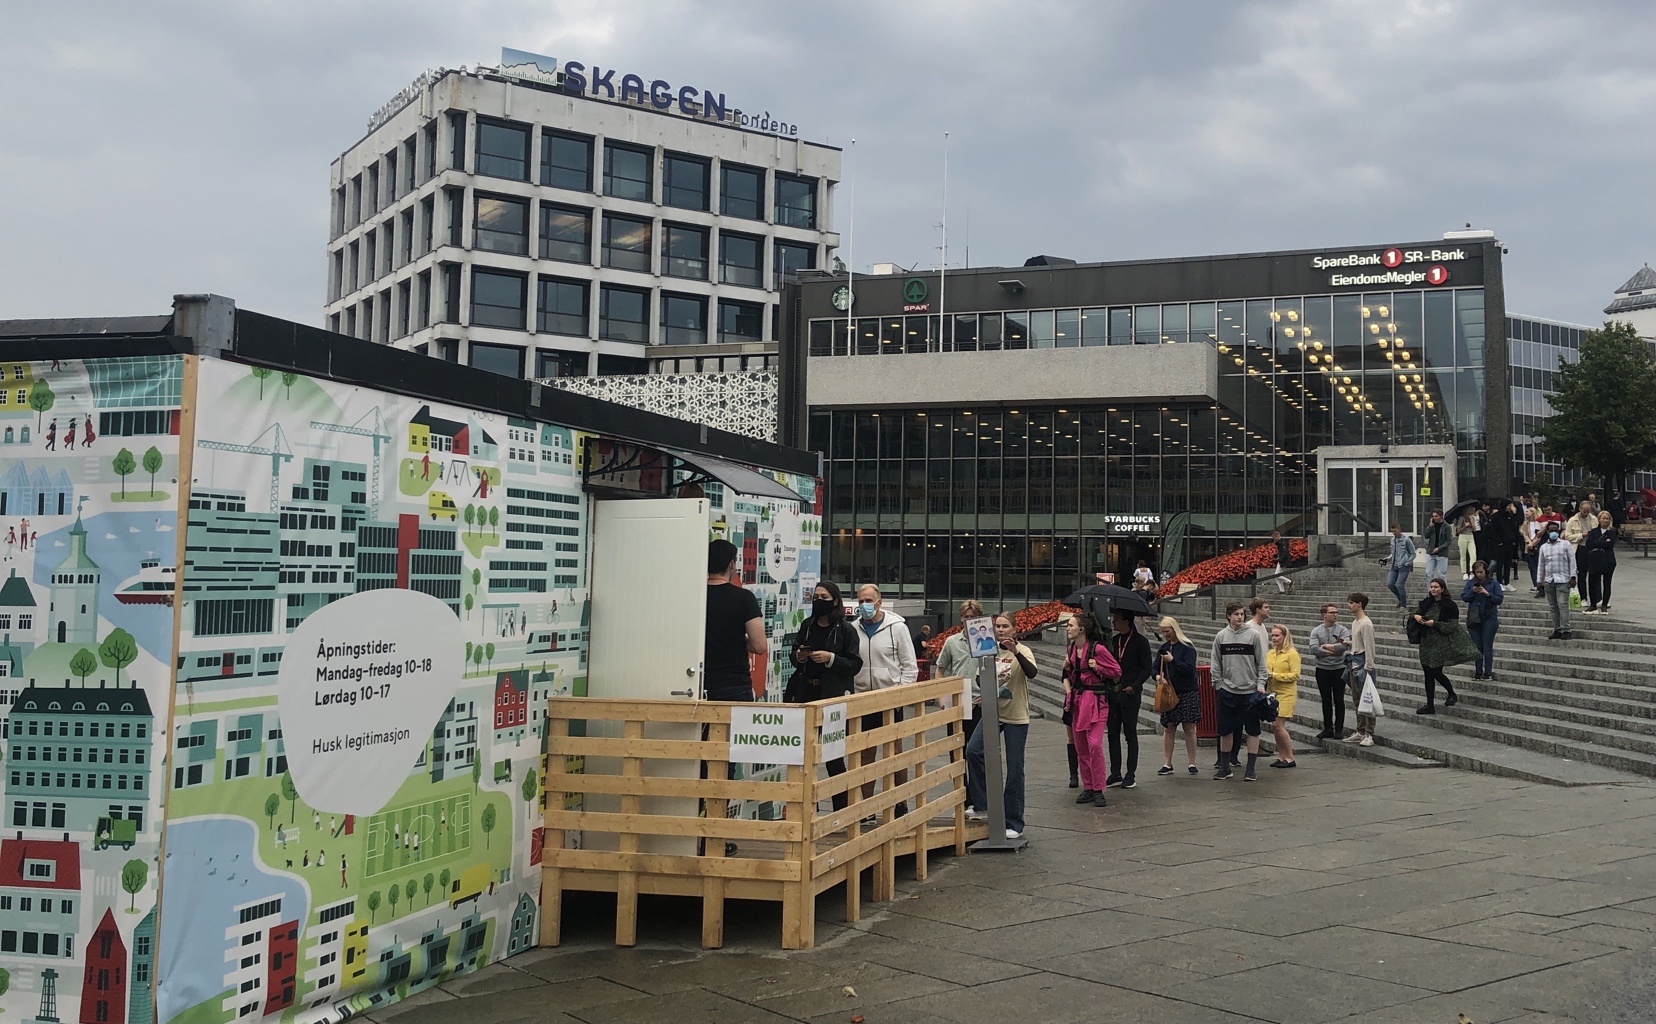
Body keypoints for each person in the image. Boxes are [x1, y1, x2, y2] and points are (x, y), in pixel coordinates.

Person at [785, 581, 864, 811]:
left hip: (832, 696)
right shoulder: (807, 625)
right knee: (805, 755)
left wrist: (830, 658)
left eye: (824, 596)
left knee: (833, 757)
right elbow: (794, 653)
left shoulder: (846, 630)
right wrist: (799, 657)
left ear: (836, 600)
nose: (819, 600)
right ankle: (808, 809)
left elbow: (854, 664)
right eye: (816, 596)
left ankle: (842, 809)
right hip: (806, 693)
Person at [965, 613, 1035, 839]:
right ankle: (983, 804)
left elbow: (1032, 673)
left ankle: (1014, 820)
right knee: (974, 751)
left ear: (1014, 629)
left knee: (1015, 767)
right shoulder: (988, 650)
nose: (1001, 630)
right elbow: (979, 679)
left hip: (1015, 715)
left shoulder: (1022, 650)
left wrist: (1015, 652)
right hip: (993, 712)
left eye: (1005, 626)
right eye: (998, 626)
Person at [852, 583, 918, 820]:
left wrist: (900, 693)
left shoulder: (896, 627)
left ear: (879, 602)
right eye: (860, 601)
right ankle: (867, 807)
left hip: (890, 698)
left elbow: (909, 665)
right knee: (866, 754)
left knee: (894, 752)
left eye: (869, 601)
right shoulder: (854, 628)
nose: (864, 605)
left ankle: (900, 802)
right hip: (863, 700)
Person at [1063, 612, 1119, 805]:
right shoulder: (1071, 649)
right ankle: (1088, 786)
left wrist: (1099, 668)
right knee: (1081, 746)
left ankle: (1098, 788)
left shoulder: (1098, 649)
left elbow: (1116, 671)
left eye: (1070, 625)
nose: (1068, 628)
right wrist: (1068, 669)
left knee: (1094, 744)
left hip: (1095, 700)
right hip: (1078, 701)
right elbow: (1070, 675)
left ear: (1081, 629)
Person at [1209, 601, 1269, 781]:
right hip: (1227, 690)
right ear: (1228, 616)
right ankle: (1225, 767)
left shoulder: (1253, 636)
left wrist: (1260, 684)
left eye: (1242, 614)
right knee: (1225, 730)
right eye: (1236, 614)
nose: (1240, 617)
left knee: (1252, 730)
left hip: (1250, 691)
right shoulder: (1221, 636)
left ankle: (1250, 769)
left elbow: (1261, 663)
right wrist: (1218, 684)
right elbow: (1215, 663)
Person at [705, 540, 766, 700]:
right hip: (734, 684)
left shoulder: (695, 595)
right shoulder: (744, 598)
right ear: (731, 564)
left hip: (699, 683)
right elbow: (759, 646)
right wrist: (739, 640)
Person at [1413, 578, 1477, 713]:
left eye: (1436, 587)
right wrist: (1416, 617)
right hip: (1426, 641)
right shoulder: (1427, 603)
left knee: (1435, 671)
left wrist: (1435, 624)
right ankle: (1430, 705)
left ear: (1442, 589)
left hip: (1440, 643)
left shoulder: (1450, 605)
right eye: (1431, 587)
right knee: (1427, 674)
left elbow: (1452, 626)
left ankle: (1451, 693)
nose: (1433, 589)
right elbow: (1415, 612)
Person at [1107, 609, 1152, 790]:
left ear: (1126, 621)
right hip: (1114, 693)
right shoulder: (1114, 641)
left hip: (1131, 693)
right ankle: (1115, 772)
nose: (1113, 623)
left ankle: (1130, 773)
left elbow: (1146, 668)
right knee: (1112, 733)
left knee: (1130, 734)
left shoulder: (1140, 642)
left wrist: (1135, 686)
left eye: (1116, 619)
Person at [933, 600, 986, 748]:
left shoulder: (986, 641)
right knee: (956, 748)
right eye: (966, 617)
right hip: (957, 699)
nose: (969, 621)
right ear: (961, 618)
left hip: (979, 702)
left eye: (973, 617)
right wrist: (942, 698)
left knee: (977, 751)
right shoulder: (952, 642)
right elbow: (940, 669)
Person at [1154, 616, 1201, 776]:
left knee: (1189, 727)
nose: (1165, 634)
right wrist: (1158, 677)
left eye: (1167, 631)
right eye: (1163, 632)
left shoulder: (1187, 647)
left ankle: (1192, 762)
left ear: (1174, 629)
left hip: (1187, 691)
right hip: (1169, 691)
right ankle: (1167, 762)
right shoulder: (1163, 648)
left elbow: (1189, 669)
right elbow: (1154, 669)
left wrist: (1173, 661)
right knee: (1169, 727)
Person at [1307, 603, 1352, 740]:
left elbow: (1343, 647)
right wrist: (1331, 652)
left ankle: (1339, 729)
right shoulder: (1316, 631)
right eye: (1332, 612)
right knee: (1326, 699)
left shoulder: (1342, 629)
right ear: (1324, 615)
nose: (1335, 614)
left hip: (1339, 669)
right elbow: (1314, 648)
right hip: (1322, 669)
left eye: (1336, 612)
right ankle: (1328, 728)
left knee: (1339, 699)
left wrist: (1326, 648)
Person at [1461, 561, 1504, 680]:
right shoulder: (1471, 583)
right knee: (1476, 647)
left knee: (1487, 646)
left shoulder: (1493, 583)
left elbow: (1499, 599)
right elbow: (1464, 597)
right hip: (1474, 618)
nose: (1479, 575)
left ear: (1486, 572)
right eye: (1477, 572)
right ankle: (1478, 671)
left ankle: (1488, 672)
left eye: (1481, 572)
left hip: (1489, 618)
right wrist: (1472, 591)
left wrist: (1487, 593)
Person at [1264, 624, 1299, 768]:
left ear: (1285, 637)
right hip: (1272, 693)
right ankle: (1282, 755)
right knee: (1275, 726)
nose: (1274, 638)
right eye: (1272, 635)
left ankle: (1290, 757)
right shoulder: (1270, 653)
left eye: (1277, 635)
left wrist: (1275, 675)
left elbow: (1295, 675)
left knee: (1278, 725)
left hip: (1286, 693)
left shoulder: (1292, 654)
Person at [1346, 592, 1378, 746]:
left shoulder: (1366, 623)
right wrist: (1349, 643)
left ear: (1359, 604)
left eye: (1352, 602)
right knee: (1357, 699)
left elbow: (1369, 646)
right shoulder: (1355, 622)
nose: (1349, 605)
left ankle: (1369, 733)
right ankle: (1360, 730)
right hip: (1354, 661)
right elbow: (1358, 643)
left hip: (1363, 663)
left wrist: (1369, 667)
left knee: (1368, 699)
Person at [1538, 521, 1577, 640]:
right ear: (1547, 532)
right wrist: (1539, 580)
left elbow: (1572, 561)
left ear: (1559, 531)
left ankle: (1566, 629)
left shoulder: (1566, 544)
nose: (1553, 532)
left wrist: (1573, 577)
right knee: (1553, 607)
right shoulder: (1544, 547)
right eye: (1551, 530)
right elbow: (1541, 565)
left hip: (1563, 579)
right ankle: (1557, 629)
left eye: (1556, 530)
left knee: (1562, 605)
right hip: (1550, 580)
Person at [1563, 499, 1598, 607]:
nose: (1586, 513)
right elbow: (1567, 536)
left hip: (1592, 548)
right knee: (1581, 575)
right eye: (1584, 511)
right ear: (1580, 509)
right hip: (1580, 548)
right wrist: (1580, 535)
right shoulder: (1572, 520)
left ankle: (1597, 598)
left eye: (1588, 511)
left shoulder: (1594, 519)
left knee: (1595, 574)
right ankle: (1583, 598)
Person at [1584, 510, 1619, 615]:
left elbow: (1610, 544)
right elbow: (1589, 544)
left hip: (1608, 560)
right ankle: (1593, 605)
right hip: (1595, 559)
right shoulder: (1594, 531)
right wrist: (1602, 542)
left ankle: (1604, 605)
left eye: (1607, 519)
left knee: (1607, 583)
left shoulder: (1613, 532)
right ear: (1599, 519)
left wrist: (1598, 543)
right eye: (1603, 518)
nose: (1605, 520)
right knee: (1592, 581)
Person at [1385, 522, 1416, 608]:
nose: (1394, 533)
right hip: (1394, 565)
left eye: (1395, 531)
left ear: (1399, 529)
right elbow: (1393, 552)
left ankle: (1403, 604)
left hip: (1403, 566)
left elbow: (1413, 553)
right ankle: (1401, 599)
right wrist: (1388, 558)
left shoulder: (1406, 540)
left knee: (1399, 584)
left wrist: (1407, 563)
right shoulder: (1392, 540)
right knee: (1390, 584)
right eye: (1392, 531)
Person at [1422, 509, 1453, 583]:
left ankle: (1443, 591)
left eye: (1436, 516)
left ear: (1441, 516)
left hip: (1441, 553)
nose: (1434, 518)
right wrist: (1430, 527)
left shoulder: (1446, 526)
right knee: (1428, 573)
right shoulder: (1432, 525)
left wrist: (1440, 548)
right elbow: (1426, 536)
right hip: (1431, 552)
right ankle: (1430, 591)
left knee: (1441, 574)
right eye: (1433, 516)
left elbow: (1449, 540)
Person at [1522, 506, 1545, 593]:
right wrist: (1529, 542)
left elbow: (1539, 535)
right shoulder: (1525, 523)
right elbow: (1524, 534)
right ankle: (1535, 584)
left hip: (1537, 545)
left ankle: (1540, 584)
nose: (1526, 513)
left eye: (1527, 512)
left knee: (1539, 566)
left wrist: (1534, 542)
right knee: (1532, 567)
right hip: (1529, 546)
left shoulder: (1538, 522)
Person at [1455, 507, 1480, 579]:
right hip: (1463, 536)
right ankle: (1464, 572)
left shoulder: (1472, 518)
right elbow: (1458, 531)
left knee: (1473, 555)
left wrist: (1472, 522)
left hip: (1470, 536)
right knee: (1463, 555)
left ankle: (1472, 571)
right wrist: (1465, 526)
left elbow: (1474, 529)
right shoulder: (1461, 518)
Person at [1271, 529, 1292, 593]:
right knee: (1277, 575)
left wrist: (1281, 559)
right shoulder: (1280, 543)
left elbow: (1284, 552)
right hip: (1281, 560)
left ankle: (1289, 582)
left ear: (1277, 537)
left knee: (1276, 575)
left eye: (1274, 538)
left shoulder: (1283, 543)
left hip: (1282, 561)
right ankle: (1281, 590)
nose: (1274, 539)